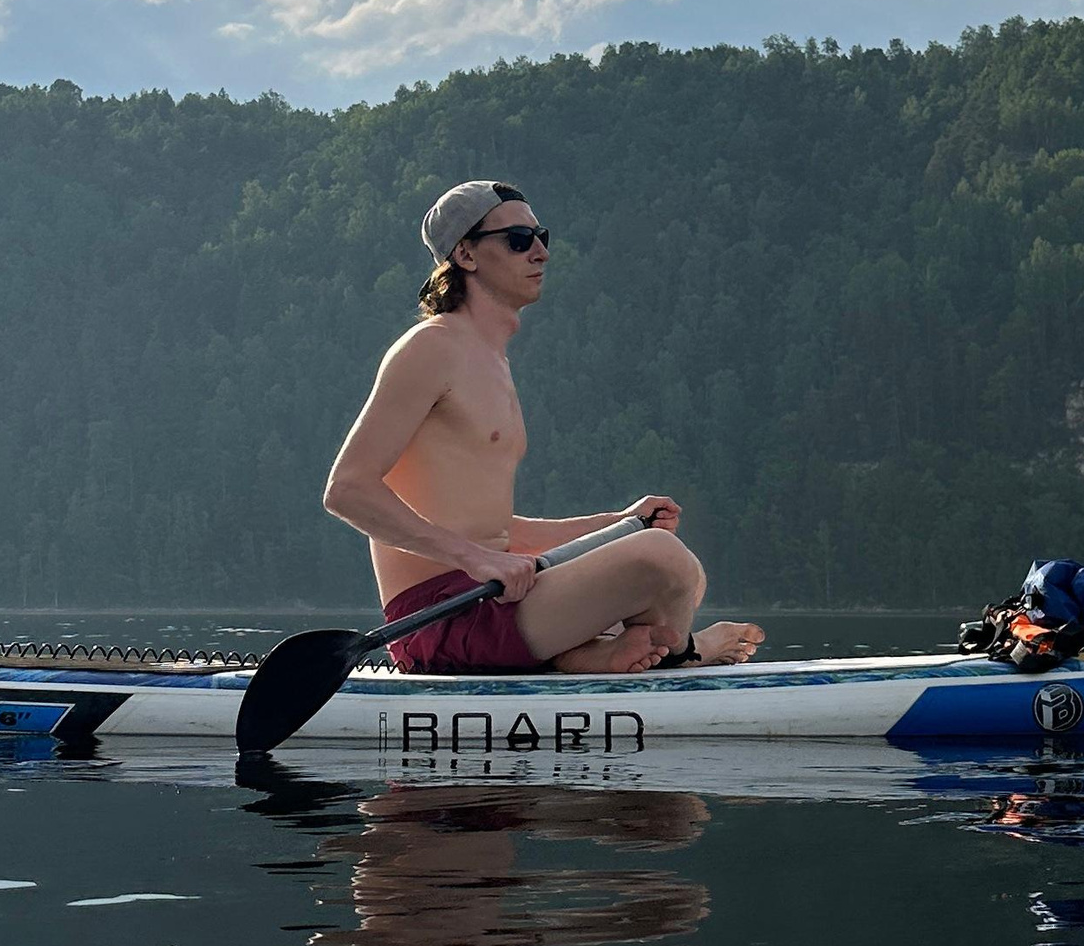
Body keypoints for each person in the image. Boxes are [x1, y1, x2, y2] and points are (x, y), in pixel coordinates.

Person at [322, 179, 765, 678]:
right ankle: (681, 654)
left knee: (673, 570)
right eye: (517, 239)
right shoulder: (431, 349)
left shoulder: (490, 361)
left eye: (541, 237)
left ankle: (592, 653)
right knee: (664, 560)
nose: (540, 253)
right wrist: (474, 559)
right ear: (466, 254)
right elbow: (347, 490)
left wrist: (616, 522)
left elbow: (500, 536)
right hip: (439, 620)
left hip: (497, 599)